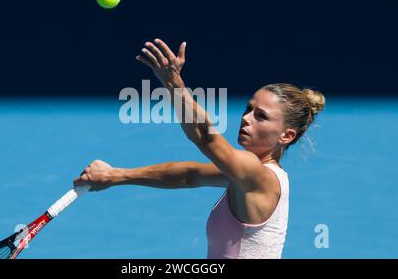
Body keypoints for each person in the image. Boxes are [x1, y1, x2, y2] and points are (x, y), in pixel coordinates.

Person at [74, 39, 325, 259]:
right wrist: (114, 175)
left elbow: (205, 137)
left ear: (286, 135)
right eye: (248, 109)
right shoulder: (248, 175)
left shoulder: (257, 175)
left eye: (261, 116)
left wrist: (172, 82)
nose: (246, 118)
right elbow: (188, 174)